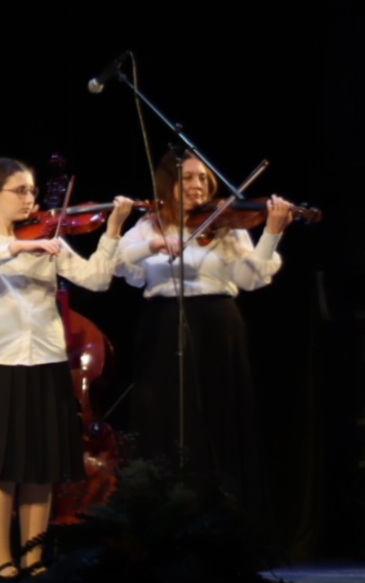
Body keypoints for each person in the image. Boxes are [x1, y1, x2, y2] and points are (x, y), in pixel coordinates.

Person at [0, 158, 133, 583]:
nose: (30, 198)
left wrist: (112, 231)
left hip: (47, 362)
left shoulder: (49, 237)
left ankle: (33, 559)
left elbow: (96, 280)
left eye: (32, 191)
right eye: (20, 190)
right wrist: (19, 248)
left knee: (40, 468)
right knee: (0, 468)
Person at [118, 152, 291, 521]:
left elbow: (251, 278)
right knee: (165, 416)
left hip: (217, 325)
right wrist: (154, 245)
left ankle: (222, 515)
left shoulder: (227, 224)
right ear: (169, 183)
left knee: (217, 416)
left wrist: (272, 233)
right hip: (164, 324)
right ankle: (165, 515)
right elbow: (119, 265)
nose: (197, 186)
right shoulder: (150, 225)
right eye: (188, 178)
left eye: (203, 179)